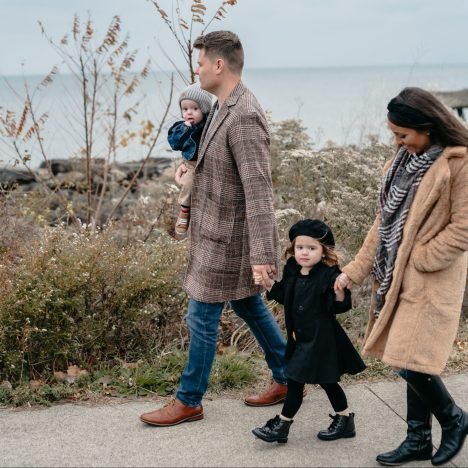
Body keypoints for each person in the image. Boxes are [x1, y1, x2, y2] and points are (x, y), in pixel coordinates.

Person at [139, 30, 288, 427]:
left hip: (229, 240)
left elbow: (259, 191)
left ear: (218, 65)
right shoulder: (222, 105)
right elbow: (222, 166)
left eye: (200, 63)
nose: (196, 69)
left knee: (200, 318)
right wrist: (192, 171)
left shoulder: (243, 115)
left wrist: (262, 257)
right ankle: (288, 375)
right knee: (247, 305)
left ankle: (189, 400)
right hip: (213, 231)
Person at [335, 87, 468, 466]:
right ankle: (418, 440)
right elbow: (384, 222)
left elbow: (463, 227)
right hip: (395, 277)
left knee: (410, 359)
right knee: (410, 358)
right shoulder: (402, 163)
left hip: (430, 278)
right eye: (395, 134)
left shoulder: (458, 163)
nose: (397, 142)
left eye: (402, 135)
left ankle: (454, 418)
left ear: (427, 127)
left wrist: (422, 257)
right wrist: (354, 271)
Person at [251, 219, 366, 444]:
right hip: (300, 339)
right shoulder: (293, 269)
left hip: (321, 340)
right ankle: (345, 421)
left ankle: (282, 425)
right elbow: (286, 296)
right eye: (299, 247)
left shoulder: (328, 274)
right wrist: (268, 284)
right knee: (327, 382)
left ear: (323, 251)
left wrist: (341, 292)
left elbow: (339, 306)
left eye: (311, 248)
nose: (304, 252)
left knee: (296, 380)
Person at [167, 83, 213, 239]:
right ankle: (185, 210)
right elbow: (175, 144)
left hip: (207, 164)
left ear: (204, 110)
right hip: (191, 165)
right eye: (185, 109)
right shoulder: (181, 128)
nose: (189, 113)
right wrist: (185, 130)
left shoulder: (209, 125)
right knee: (188, 183)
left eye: (194, 108)